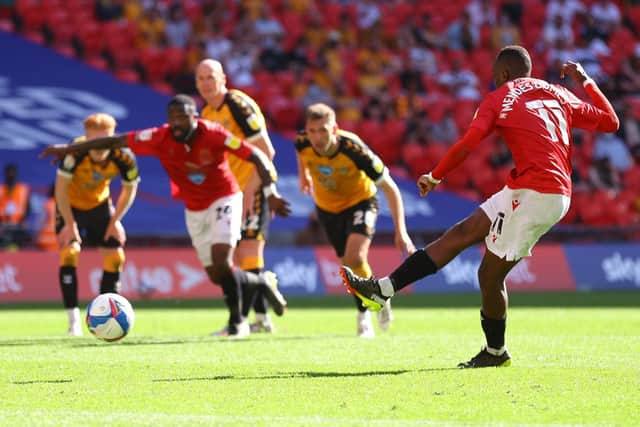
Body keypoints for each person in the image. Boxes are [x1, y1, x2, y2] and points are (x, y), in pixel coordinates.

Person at [341, 46, 619, 365]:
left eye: (493, 75)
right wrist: (585, 81)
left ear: (502, 74)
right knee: (463, 232)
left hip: (535, 192)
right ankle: (383, 290)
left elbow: (467, 145)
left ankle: (495, 352)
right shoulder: (557, 92)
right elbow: (611, 122)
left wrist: (435, 175)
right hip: (538, 187)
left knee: (489, 275)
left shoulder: (499, 97)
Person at [41, 95, 291, 339]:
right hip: (194, 208)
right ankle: (260, 283)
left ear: (195, 116)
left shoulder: (215, 133)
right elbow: (114, 141)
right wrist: (68, 149)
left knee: (222, 259)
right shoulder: (159, 137)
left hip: (224, 198)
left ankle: (238, 324)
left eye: (183, 117)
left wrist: (271, 192)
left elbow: (257, 155)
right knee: (216, 274)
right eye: (173, 118)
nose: (177, 123)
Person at [295, 103, 415, 338]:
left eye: (323, 131)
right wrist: (304, 176)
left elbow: (391, 189)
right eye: (312, 131)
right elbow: (302, 155)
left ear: (335, 129)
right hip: (327, 209)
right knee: (350, 267)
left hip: (361, 202)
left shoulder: (354, 149)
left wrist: (401, 231)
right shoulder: (302, 142)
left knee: (355, 257)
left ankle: (363, 316)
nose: (317, 137)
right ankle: (379, 296)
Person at [195, 58, 277, 333]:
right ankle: (261, 319)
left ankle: (240, 321)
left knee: (250, 251)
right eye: (201, 78)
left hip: (252, 186)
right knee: (238, 258)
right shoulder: (205, 112)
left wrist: (252, 190)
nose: (206, 83)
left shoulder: (238, 105)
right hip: (229, 194)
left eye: (211, 77)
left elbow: (266, 151)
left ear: (223, 78)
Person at [54, 113, 139, 336]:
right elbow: (60, 189)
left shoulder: (124, 156)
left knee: (115, 256)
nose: (100, 147)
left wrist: (115, 221)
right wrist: (69, 223)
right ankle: (73, 323)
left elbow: (130, 189)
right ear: (86, 137)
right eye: (95, 141)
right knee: (69, 252)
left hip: (100, 206)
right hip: (69, 206)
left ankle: (106, 311)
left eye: (106, 141)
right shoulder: (75, 152)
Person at [0, 163, 31, 249]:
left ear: (16, 174)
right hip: (3, 225)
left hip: (18, 226)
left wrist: (23, 221)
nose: (11, 175)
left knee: (25, 241)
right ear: (5, 174)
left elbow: (28, 208)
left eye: (13, 173)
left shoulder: (23, 189)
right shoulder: (1, 190)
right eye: (9, 173)